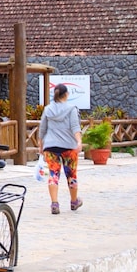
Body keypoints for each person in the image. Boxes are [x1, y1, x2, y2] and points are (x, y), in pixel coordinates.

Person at [38, 83, 82, 215]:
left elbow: (42, 130)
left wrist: (41, 146)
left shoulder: (48, 109)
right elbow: (75, 127)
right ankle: (74, 201)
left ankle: (54, 203)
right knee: (71, 175)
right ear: (66, 94)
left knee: (53, 174)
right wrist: (79, 141)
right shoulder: (71, 109)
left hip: (50, 146)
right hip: (69, 146)